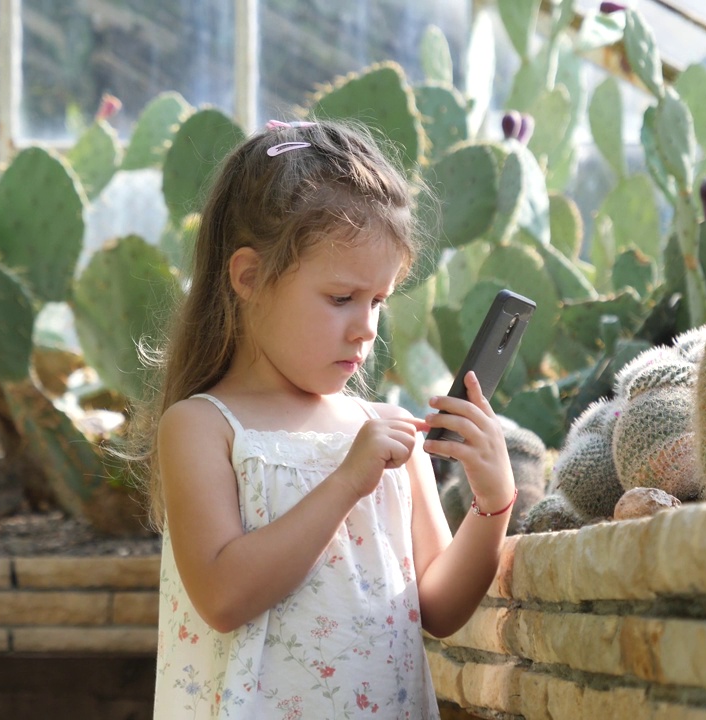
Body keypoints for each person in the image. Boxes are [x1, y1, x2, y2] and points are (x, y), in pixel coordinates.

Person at [127, 118, 517, 719]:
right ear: (249, 277)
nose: (366, 327)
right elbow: (224, 596)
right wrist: (344, 483)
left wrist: (495, 504)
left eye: (378, 301)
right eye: (341, 298)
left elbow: (438, 606)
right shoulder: (206, 425)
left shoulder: (385, 431)